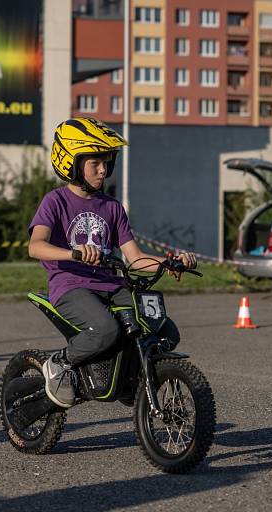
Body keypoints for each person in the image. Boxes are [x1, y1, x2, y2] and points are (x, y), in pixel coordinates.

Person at [28, 118, 197, 408]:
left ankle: (133, 379)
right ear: (71, 161)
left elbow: (135, 258)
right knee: (106, 330)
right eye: (95, 162)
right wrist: (74, 253)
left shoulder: (112, 207)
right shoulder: (55, 201)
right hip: (71, 286)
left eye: (106, 162)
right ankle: (59, 362)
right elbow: (36, 246)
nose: (103, 169)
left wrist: (170, 262)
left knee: (165, 330)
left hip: (112, 284)